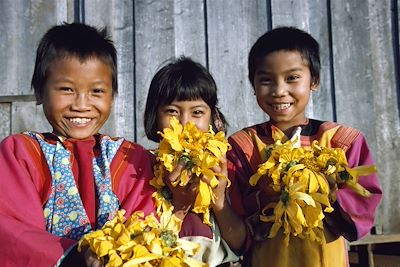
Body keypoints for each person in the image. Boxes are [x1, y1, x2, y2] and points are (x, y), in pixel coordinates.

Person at [0, 23, 157, 266]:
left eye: (96, 91)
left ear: (112, 95)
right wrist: (73, 255)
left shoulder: (130, 159)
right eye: (66, 89)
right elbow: (10, 228)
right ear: (40, 91)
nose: (81, 104)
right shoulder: (21, 153)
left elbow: (147, 222)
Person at [226, 26, 383, 267]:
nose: (279, 91)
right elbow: (232, 214)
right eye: (266, 80)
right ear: (253, 85)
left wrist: (326, 191)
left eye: (292, 78)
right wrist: (265, 195)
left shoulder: (343, 141)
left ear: (315, 81)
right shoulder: (242, 147)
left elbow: (364, 200)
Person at [143, 56, 242, 266]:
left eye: (197, 112)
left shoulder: (226, 166)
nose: (185, 122)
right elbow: (146, 249)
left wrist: (219, 199)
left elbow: (240, 243)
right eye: (172, 111)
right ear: (155, 115)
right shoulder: (142, 168)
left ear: (213, 117)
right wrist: (180, 208)